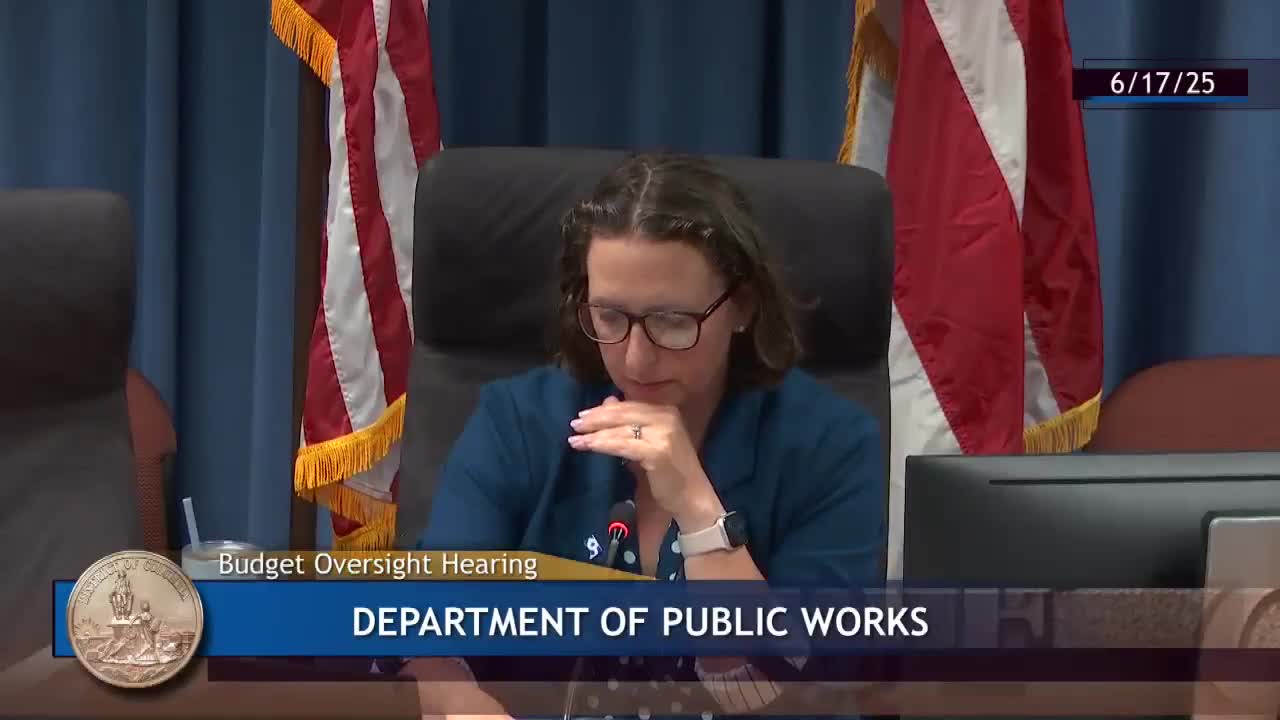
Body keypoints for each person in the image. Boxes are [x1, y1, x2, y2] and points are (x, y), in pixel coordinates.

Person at [407, 152, 885, 719]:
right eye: (610, 317)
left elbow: (789, 695)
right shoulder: (517, 422)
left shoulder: (831, 447)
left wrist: (700, 512)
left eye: (672, 321)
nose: (636, 359)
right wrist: (459, 702)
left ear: (742, 307)